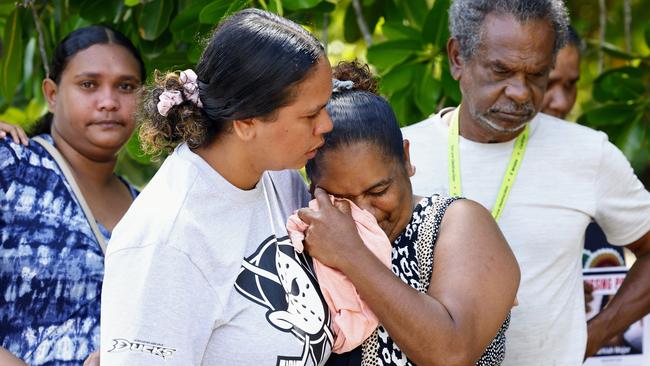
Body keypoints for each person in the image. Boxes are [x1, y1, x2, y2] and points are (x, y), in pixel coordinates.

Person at [402, 0, 650, 364]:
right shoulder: (399, 152)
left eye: (535, 75)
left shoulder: (587, 153)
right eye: (500, 71)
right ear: (457, 58)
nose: (520, 92)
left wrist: (594, 334)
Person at [100, 8, 335, 365]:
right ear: (246, 122)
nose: (327, 124)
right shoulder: (165, 241)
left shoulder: (279, 178)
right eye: (310, 114)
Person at [299, 62, 519, 366]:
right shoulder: (310, 236)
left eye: (378, 191)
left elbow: (451, 353)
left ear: (406, 158)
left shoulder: (457, 223)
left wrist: (351, 254)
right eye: (341, 199)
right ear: (314, 189)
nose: (365, 212)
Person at [0, 25, 145, 365]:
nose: (108, 102)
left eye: (126, 86)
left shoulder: (148, 208)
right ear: (52, 93)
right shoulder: (12, 167)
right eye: (88, 85)